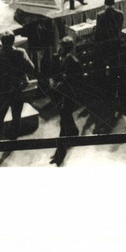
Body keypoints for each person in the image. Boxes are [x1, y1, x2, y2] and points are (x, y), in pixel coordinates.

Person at [0, 32, 36, 141]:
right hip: (17, 89)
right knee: (16, 117)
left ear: (1, 42)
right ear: (13, 41)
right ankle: (13, 140)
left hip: (3, 91)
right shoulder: (21, 53)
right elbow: (31, 68)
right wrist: (22, 76)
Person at [48, 36, 82, 165]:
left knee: (64, 118)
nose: (58, 47)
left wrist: (62, 83)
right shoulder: (56, 58)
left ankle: (60, 151)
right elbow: (52, 72)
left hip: (68, 95)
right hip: (58, 94)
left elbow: (76, 82)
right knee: (65, 115)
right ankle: (74, 131)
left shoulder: (74, 62)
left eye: (61, 46)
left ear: (65, 48)